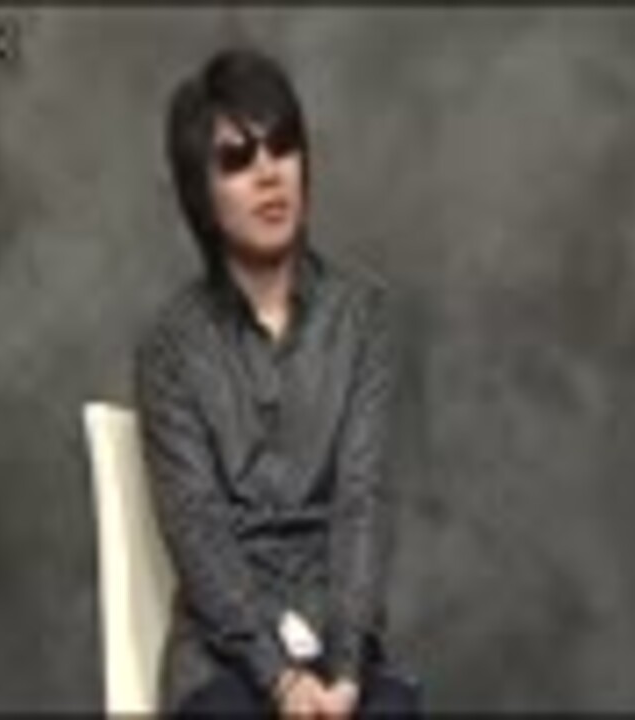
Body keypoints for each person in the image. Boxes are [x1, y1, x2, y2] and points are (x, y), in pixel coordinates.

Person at [135, 47, 420, 717]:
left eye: (284, 146)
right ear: (202, 195)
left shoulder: (363, 318)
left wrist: (344, 674)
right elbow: (198, 532)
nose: (269, 173)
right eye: (238, 159)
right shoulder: (170, 348)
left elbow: (362, 503)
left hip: (341, 645)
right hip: (225, 660)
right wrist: (282, 681)